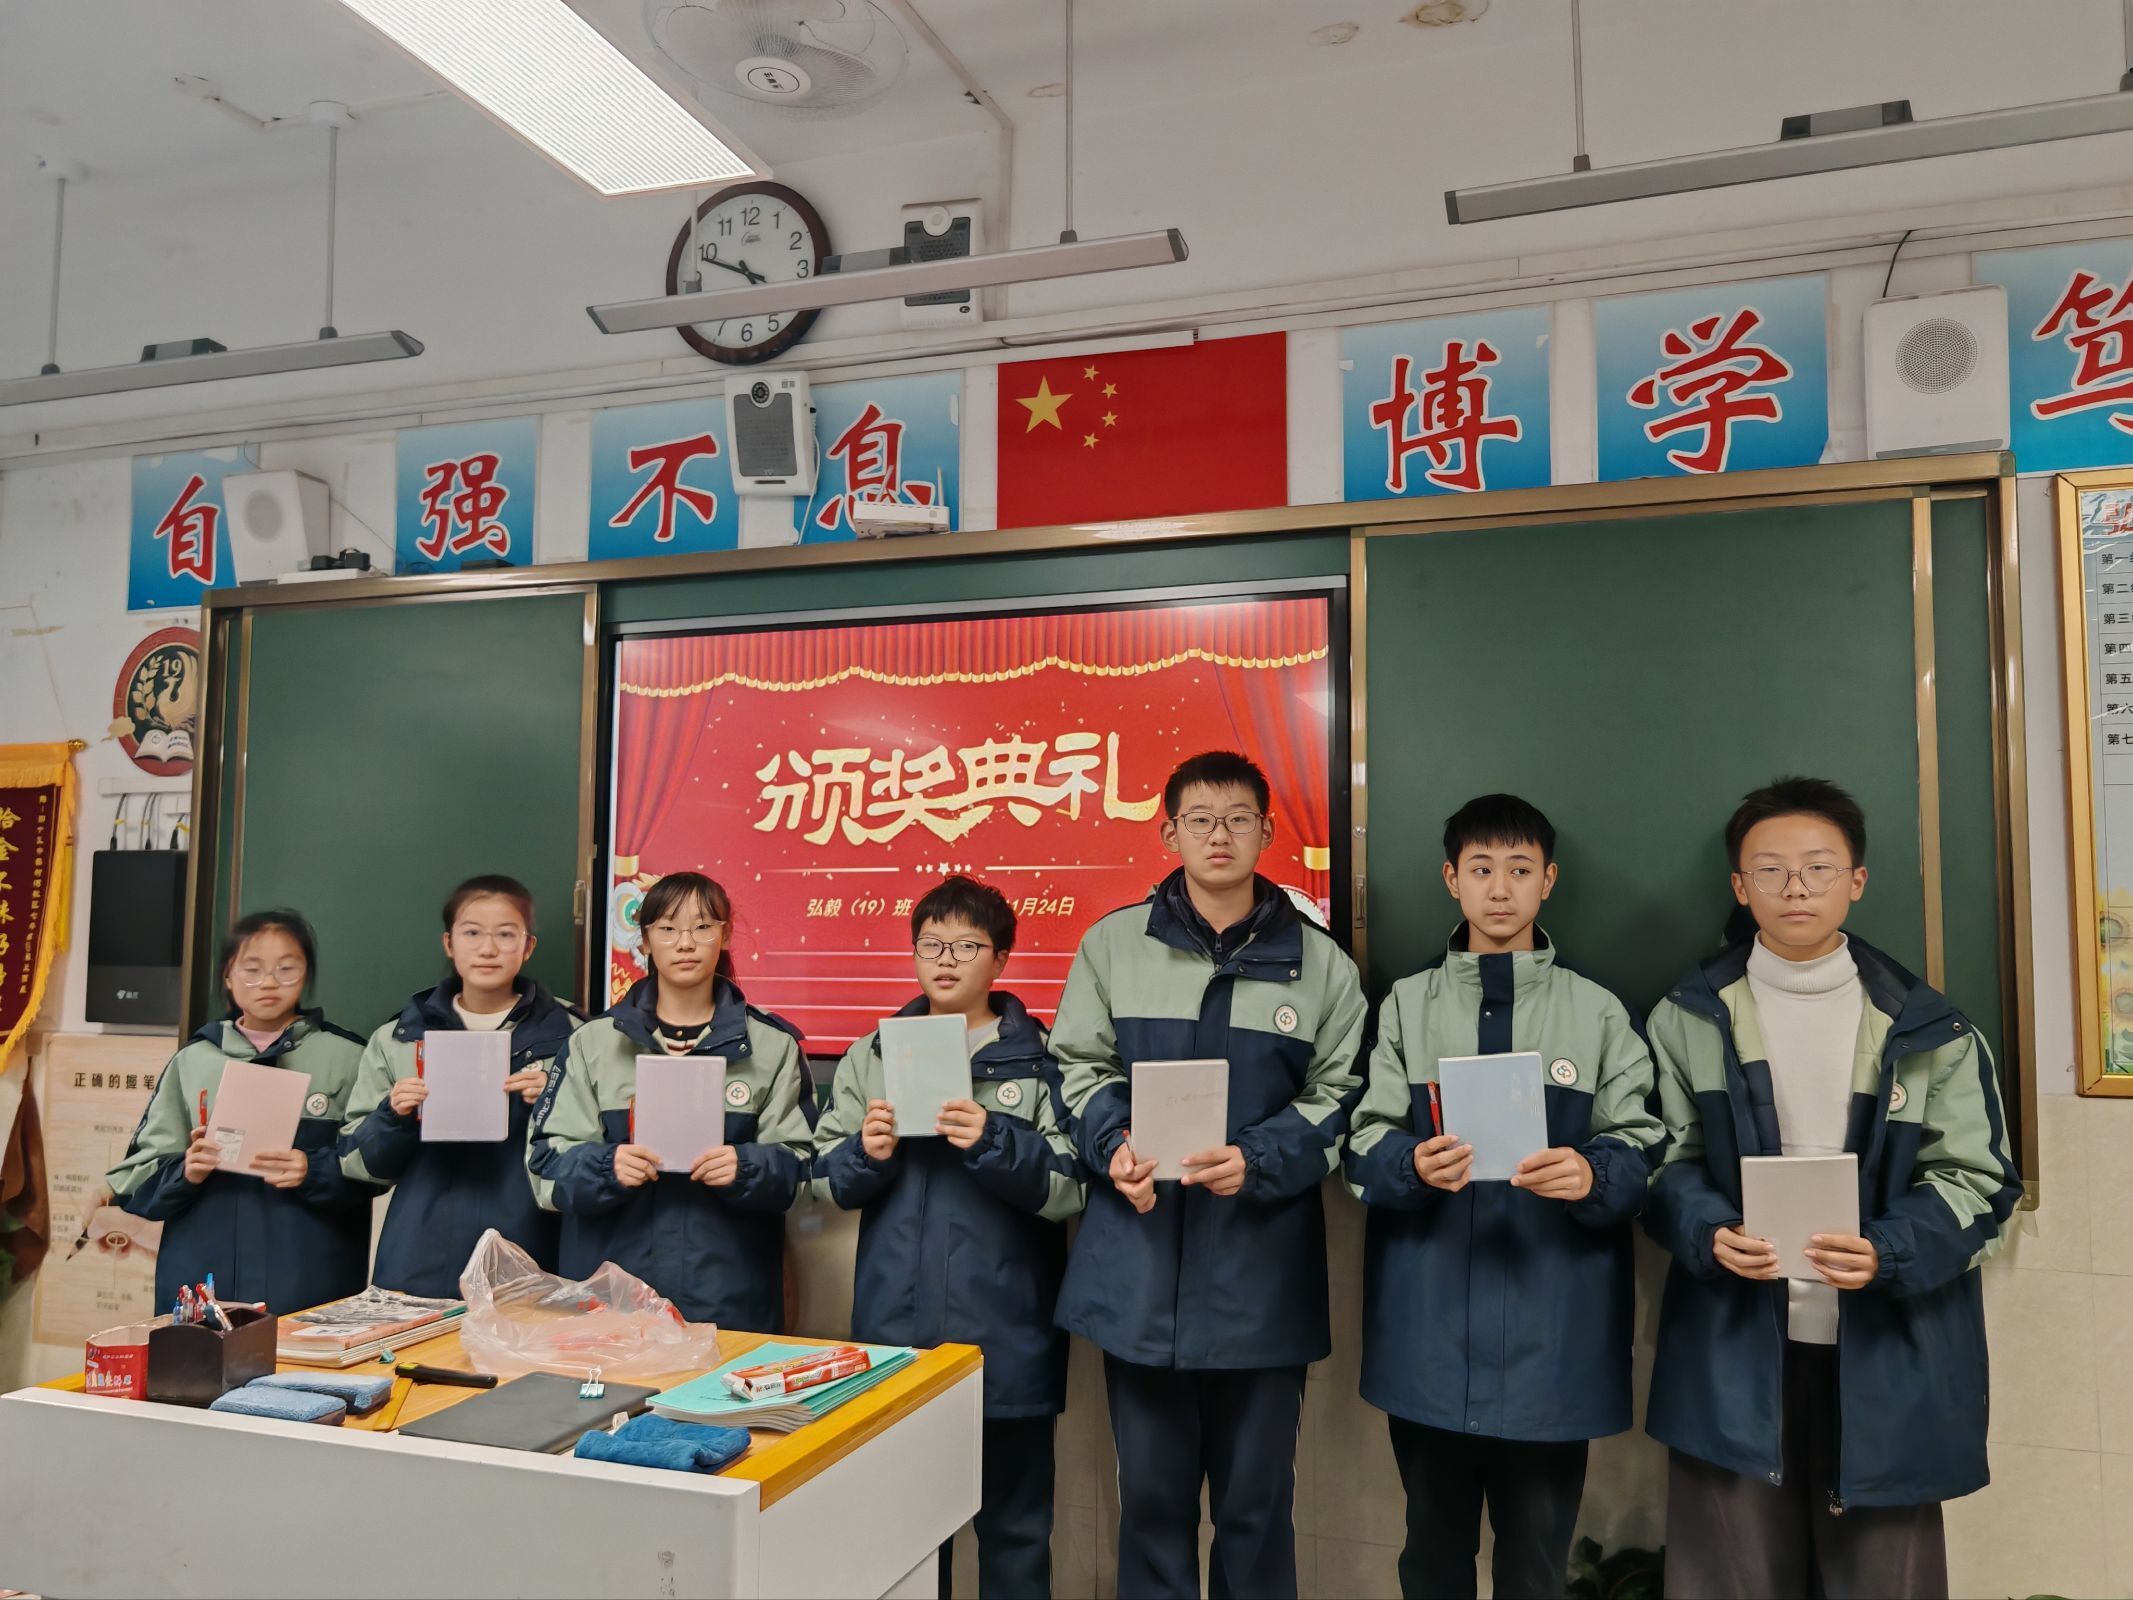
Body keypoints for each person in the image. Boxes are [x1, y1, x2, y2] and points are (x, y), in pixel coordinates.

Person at [1644, 777, 2021, 1600]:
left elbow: (1980, 1181)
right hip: (1733, 1348)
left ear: (1856, 879)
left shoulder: (1928, 1026)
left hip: (1887, 1352)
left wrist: (1887, 1251)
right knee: (1728, 1579)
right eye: (1769, 870)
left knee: (1884, 1582)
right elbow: (1663, 1162)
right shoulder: (1688, 1016)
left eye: (1817, 868)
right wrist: (1708, 1231)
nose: (1794, 888)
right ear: (1739, 886)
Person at [1052, 751, 1367, 1600]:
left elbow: (1341, 1094)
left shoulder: (1322, 965)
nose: (1218, 835)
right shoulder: (1112, 946)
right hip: (1140, 1273)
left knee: (1255, 1512)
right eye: (1199, 819)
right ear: (1169, 832)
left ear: (1266, 831)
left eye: (1236, 819)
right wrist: (1113, 1144)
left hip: (1259, 1278)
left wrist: (1257, 1158)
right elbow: (1073, 1066)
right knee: (1150, 1508)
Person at [1346, 794, 1665, 1600]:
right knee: (1431, 1557)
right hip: (1428, 1334)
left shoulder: (1596, 1012)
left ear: (1547, 881)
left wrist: (1593, 1175)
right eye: (1480, 869)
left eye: (1519, 870)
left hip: (1552, 1341)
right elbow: (1361, 1141)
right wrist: (1409, 1165)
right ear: (1450, 878)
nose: (1499, 889)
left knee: (1536, 1565)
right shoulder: (1406, 1006)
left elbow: (1643, 1146)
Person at [815, 875, 1083, 1600]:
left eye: (966, 946)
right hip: (894, 1337)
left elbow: (1072, 1187)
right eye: (930, 944)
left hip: (1009, 1338)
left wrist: (995, 1140)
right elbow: (821, 1180)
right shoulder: (873, 1053)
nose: (945, 960)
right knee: (901, 1539)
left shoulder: (1042, 1058)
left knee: (1015, 1535)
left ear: (1001, 959)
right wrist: (864, 1153)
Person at [528, 870, 813, 1328]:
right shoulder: (592, 1042)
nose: (685, 943)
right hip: (611, 1300)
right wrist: (607, 1166)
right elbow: (544, 1166)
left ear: (725, 935)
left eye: (702, 927)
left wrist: (745, 1167)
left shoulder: (773, 1046)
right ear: (644, 941)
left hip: (728, 1295)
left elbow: (806, 1170)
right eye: (667, 928)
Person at [107, 909, 370, 1312]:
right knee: (200, 1354)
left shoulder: (348, 1057)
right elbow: (135, 1182)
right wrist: (186, 1170)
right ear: (228, 977)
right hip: (203, 1283)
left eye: (286, 969)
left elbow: (375, 1167)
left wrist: (314, 1169)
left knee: (303, 1355)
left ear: (306, 975)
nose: (268, 982)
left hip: (310, 1282)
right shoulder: (194, 1061)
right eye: (252, 969)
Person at [339, 875, 580, 1298]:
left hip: (532, 1250)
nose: (488, 949)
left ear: (528, 946)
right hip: (419, 1252)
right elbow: (358, 1165)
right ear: (449, 943)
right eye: (472, 933)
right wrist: (393, 1115)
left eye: (505, 934)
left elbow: (598, 1153)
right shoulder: (399, 1037)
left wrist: (554, 1103)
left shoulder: (572, 1034)